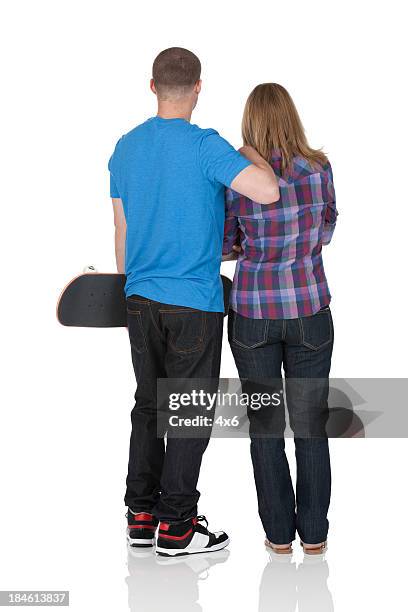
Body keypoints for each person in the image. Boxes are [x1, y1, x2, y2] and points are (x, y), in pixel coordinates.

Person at [108, 49, 280, 556]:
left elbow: (122, 229)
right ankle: (178, 527)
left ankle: (141, 516)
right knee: (185, 413)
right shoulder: (208, 147)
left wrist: (129, 290)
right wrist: (249, 150)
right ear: (199, 88)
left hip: (138, 298)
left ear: (152, 86)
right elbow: (267, 191)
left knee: (148, 405)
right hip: (194, 304)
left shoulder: (126, 148)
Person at [224, 83, 338, 555]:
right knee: (311, 426)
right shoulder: (319, 168)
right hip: (310, 309)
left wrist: (249, 247)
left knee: (265, 429)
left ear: (251, 121)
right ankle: (314, 536)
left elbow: (226, 244)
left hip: (253, 315)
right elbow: (327, 230)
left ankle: (278, 535)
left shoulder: (240, 176)